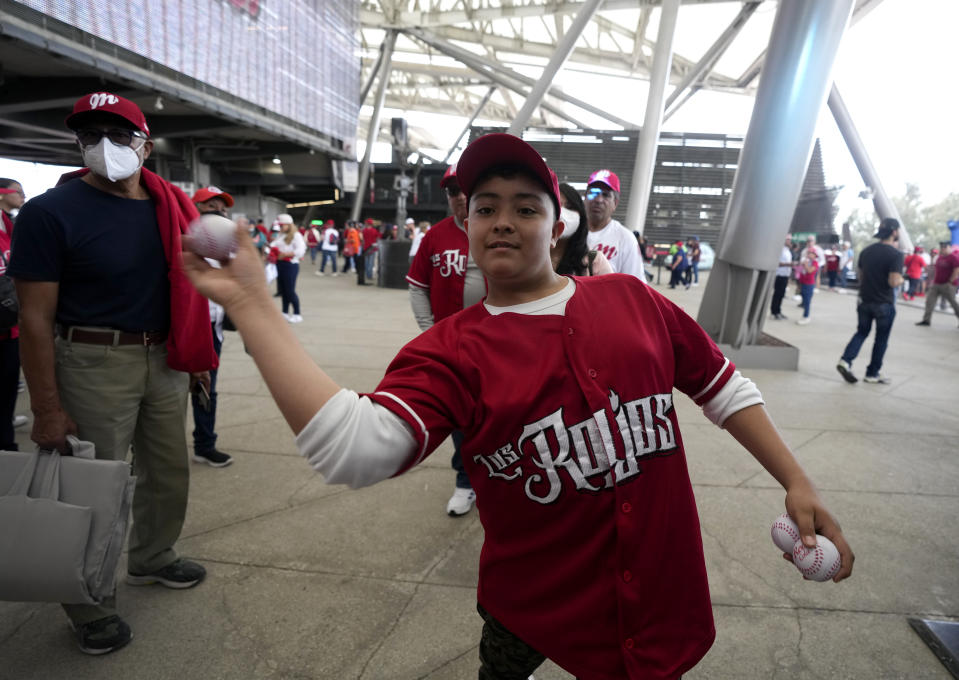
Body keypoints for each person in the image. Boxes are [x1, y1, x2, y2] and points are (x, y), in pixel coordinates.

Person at [182, 132, 854, 680]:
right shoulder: (448, 352)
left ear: (557, 226)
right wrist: (250, 305)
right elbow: (354, 449)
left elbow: (722, 386)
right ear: (465, 225)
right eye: (486, 207)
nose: (504, 220)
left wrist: (794, 478)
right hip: (527, 599)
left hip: (654, 588)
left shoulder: (632, 301)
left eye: (526, 207)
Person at [9, 92, 216, 655]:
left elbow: (189, 286)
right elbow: (35, 317)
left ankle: (153, 558)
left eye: (119, 134)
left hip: (165, 359)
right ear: (78, 146)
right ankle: (89, 603)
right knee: (93, 486)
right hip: (93, 360)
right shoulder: (50, 213)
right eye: (90, 135)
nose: (105, 146)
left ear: (145, 145)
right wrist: (47, 408)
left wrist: (196, 356)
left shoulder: (168, 204)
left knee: (168, 472)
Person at [405, 164, 481, 516]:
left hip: (498, 346)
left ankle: (500, 481)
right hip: (451, 348)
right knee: (459, 417)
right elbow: (418, 284)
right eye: (453, 191)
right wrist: (429, 331)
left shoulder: (496, 229)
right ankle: (466, 482)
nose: (460, 196)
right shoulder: (434, 236)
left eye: (466, 188)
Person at [188, 187, 236, 468]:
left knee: (206, 390)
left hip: (211, 330)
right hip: (180, 329)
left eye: (222, 207)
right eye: (210, 206)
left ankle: (205, 446)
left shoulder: (224, 247)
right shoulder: (182, 242)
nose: (218, 211)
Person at [836, 218, 904, 385]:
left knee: (861, 332)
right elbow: (894, 281)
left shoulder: (866, 251)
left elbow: (861, 276)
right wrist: (902, 279)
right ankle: (872, 373)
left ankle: (845, 360)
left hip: (864, 300)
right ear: (894, 232)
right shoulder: (896, 255)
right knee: (881, 339)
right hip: (884, 304)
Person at [0, 177, 27, 444]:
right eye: (17, 192)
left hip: (11, 329)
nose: (23, 196)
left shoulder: (13, 227)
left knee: (7, 395)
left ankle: (6, 445)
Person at [583, 169, 646, 280]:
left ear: (615, 203)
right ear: (585, 197)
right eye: (593, 193)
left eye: (606, 195)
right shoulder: (570, 233)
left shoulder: (626, 239)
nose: (598, 199)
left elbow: (636, 286)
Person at [552, 182, 612, 276]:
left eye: (569, 207)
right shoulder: (528, 257)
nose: (562, 213)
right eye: (556, 206)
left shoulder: (595, 261)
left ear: (581, 215)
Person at [271, 214, 306, 323]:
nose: (280, 228)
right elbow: (273, 244)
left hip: (290, 265)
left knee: (290, 291)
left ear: (288, 225)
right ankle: (285, 312)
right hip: (280, 264)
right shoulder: (281, 235)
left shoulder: (296, 235)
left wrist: (286, 254)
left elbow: (301, 250)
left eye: (282, 226)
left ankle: (297, 313)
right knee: (283, 290)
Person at [915, 243, 959, 327]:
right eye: (942, 247)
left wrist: (950, 281)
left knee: (953, 303)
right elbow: (936, 270)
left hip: (949, 285)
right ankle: (926, 320)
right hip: (936, 284)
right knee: (929, 301)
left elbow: (957, 270)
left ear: (949, 248)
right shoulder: (939, 257)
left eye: (944, 247)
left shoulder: (954, 258)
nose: (943, 249)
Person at [770, 234, 793, 320]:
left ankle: (778, 311)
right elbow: (777, 263)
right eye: (788, 240)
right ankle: (774, 312)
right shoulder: (780, 250)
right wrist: (790, 264)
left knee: (781, 295)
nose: (790, 241)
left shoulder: (788, 251)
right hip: (779, 275)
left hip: (785, 275)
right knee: (777, 294)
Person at [796, 250, 819, 325]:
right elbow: (799, 271)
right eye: (808, 253)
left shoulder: (815, 263)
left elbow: (809, 271)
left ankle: (806, 316)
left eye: (811, 253)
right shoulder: (806, 261)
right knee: (804, 299)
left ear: (815, 255)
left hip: (809, 284)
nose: (809, 255)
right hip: (803, 282)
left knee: (807, 301)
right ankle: (805, 315)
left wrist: (805, 264)